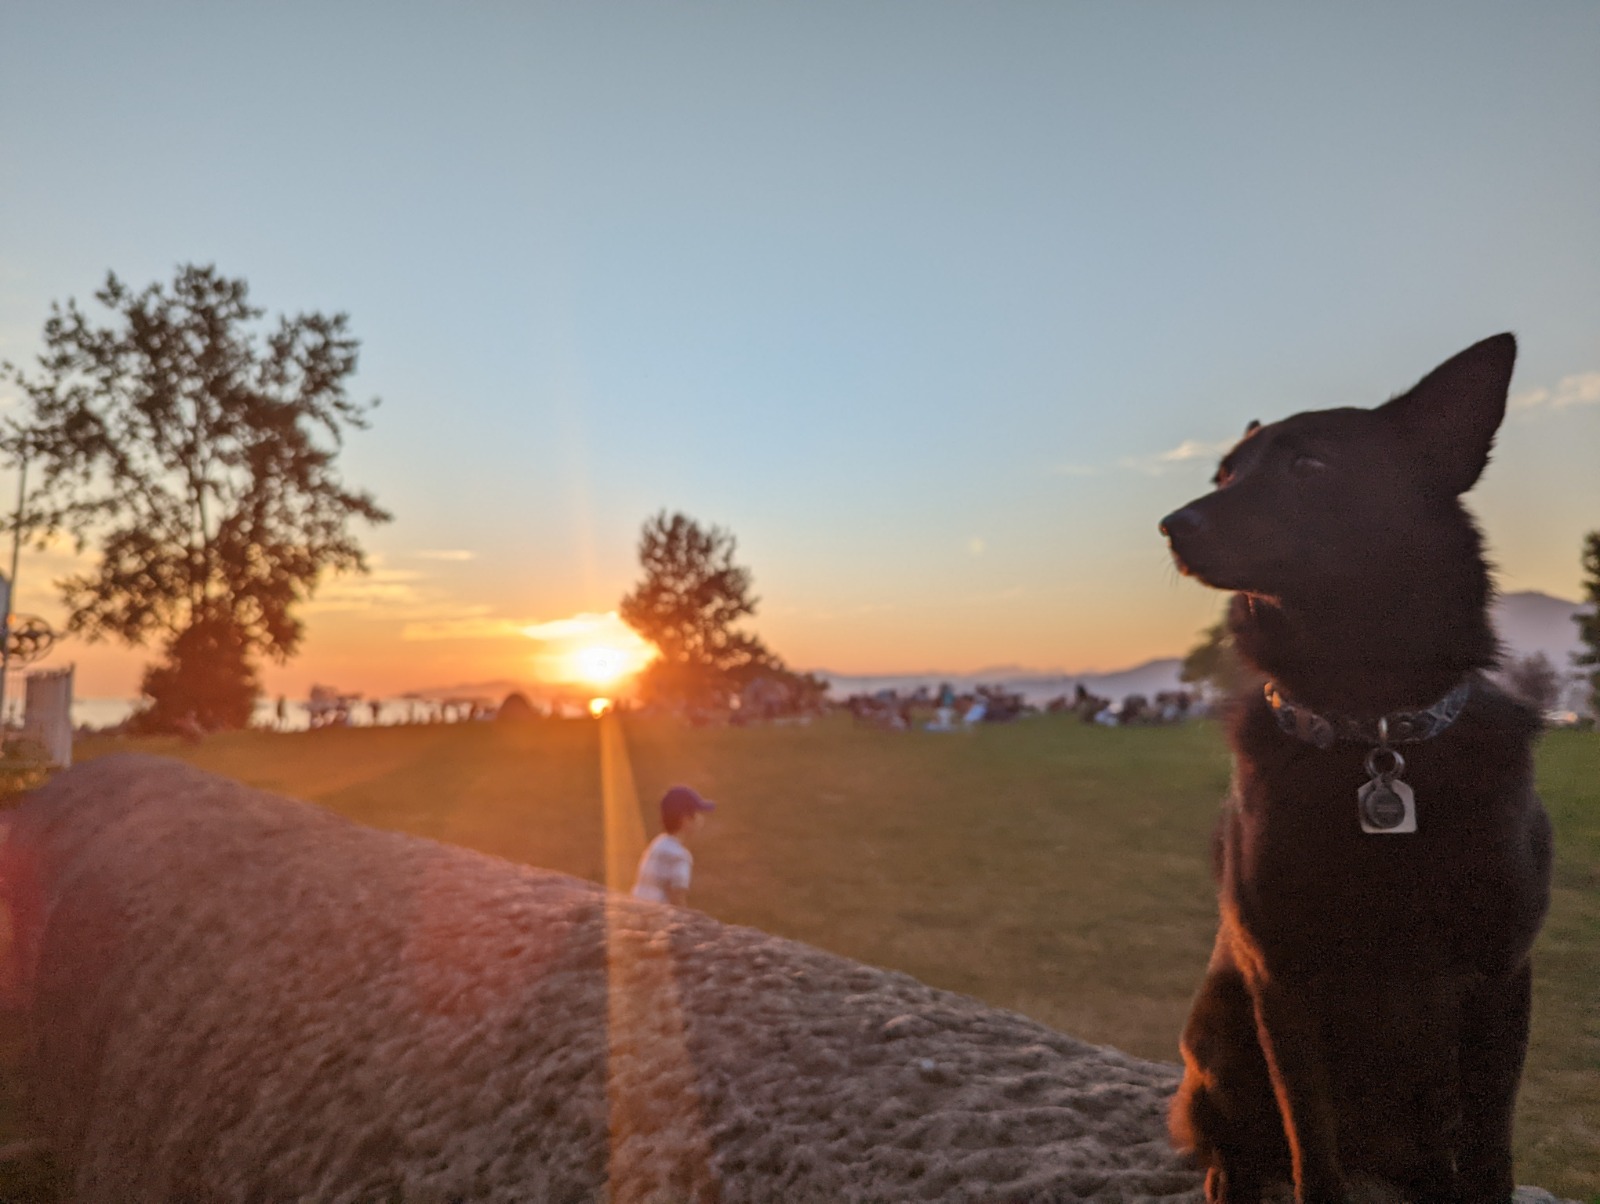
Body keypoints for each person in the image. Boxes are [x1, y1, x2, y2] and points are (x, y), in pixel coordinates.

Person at [631, 785, 715, 906]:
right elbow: (677, 898)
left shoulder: (657, 844)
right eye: (697, 814)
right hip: (658, 916)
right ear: (685, 820)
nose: (701, 819)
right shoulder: (680, 856)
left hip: (636, 909)